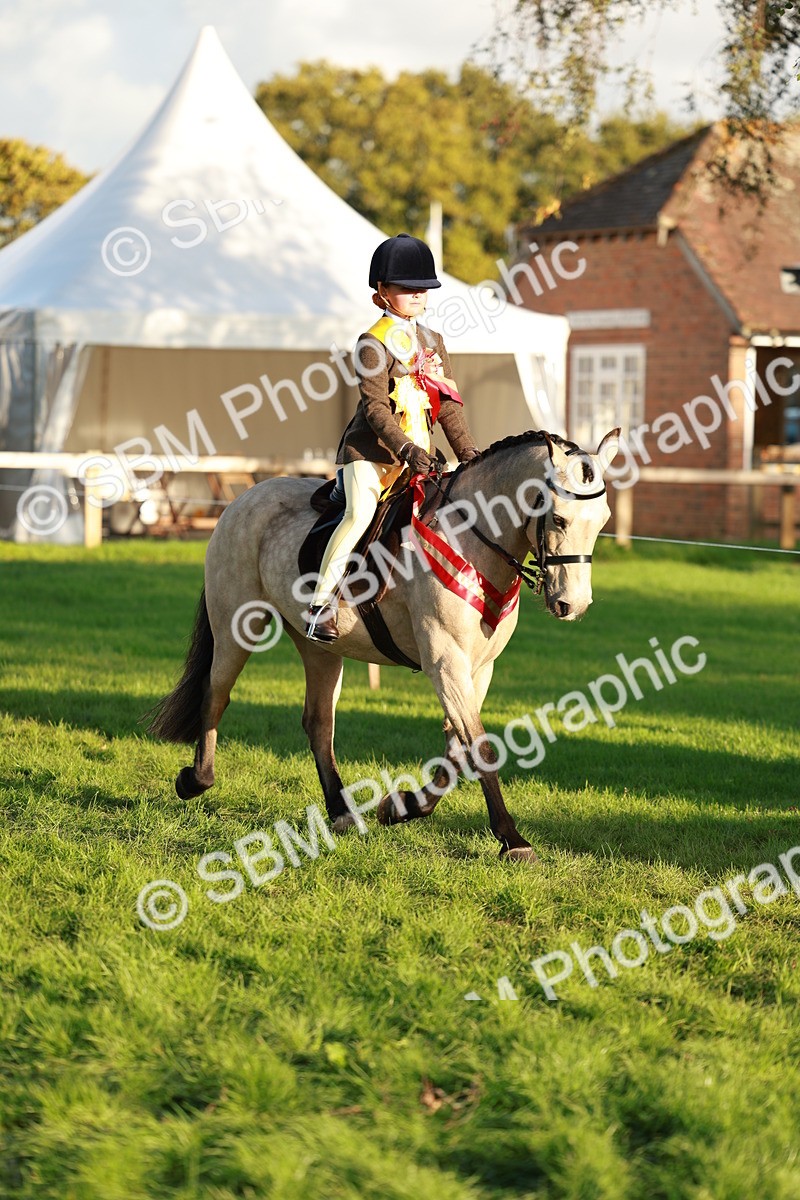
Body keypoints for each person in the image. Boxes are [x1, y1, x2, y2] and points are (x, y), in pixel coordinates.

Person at [304, 233, 481, 642]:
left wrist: (470, 454)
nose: (418, 295)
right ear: (382, 292)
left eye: (424, 289)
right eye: (407, 288)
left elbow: (449, 406)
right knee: (360, 514)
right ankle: (319, 606)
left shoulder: (434, 342)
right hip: (371, 455)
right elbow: (375, 409)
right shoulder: (372, 342)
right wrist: (405, 449)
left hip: (419, 457)